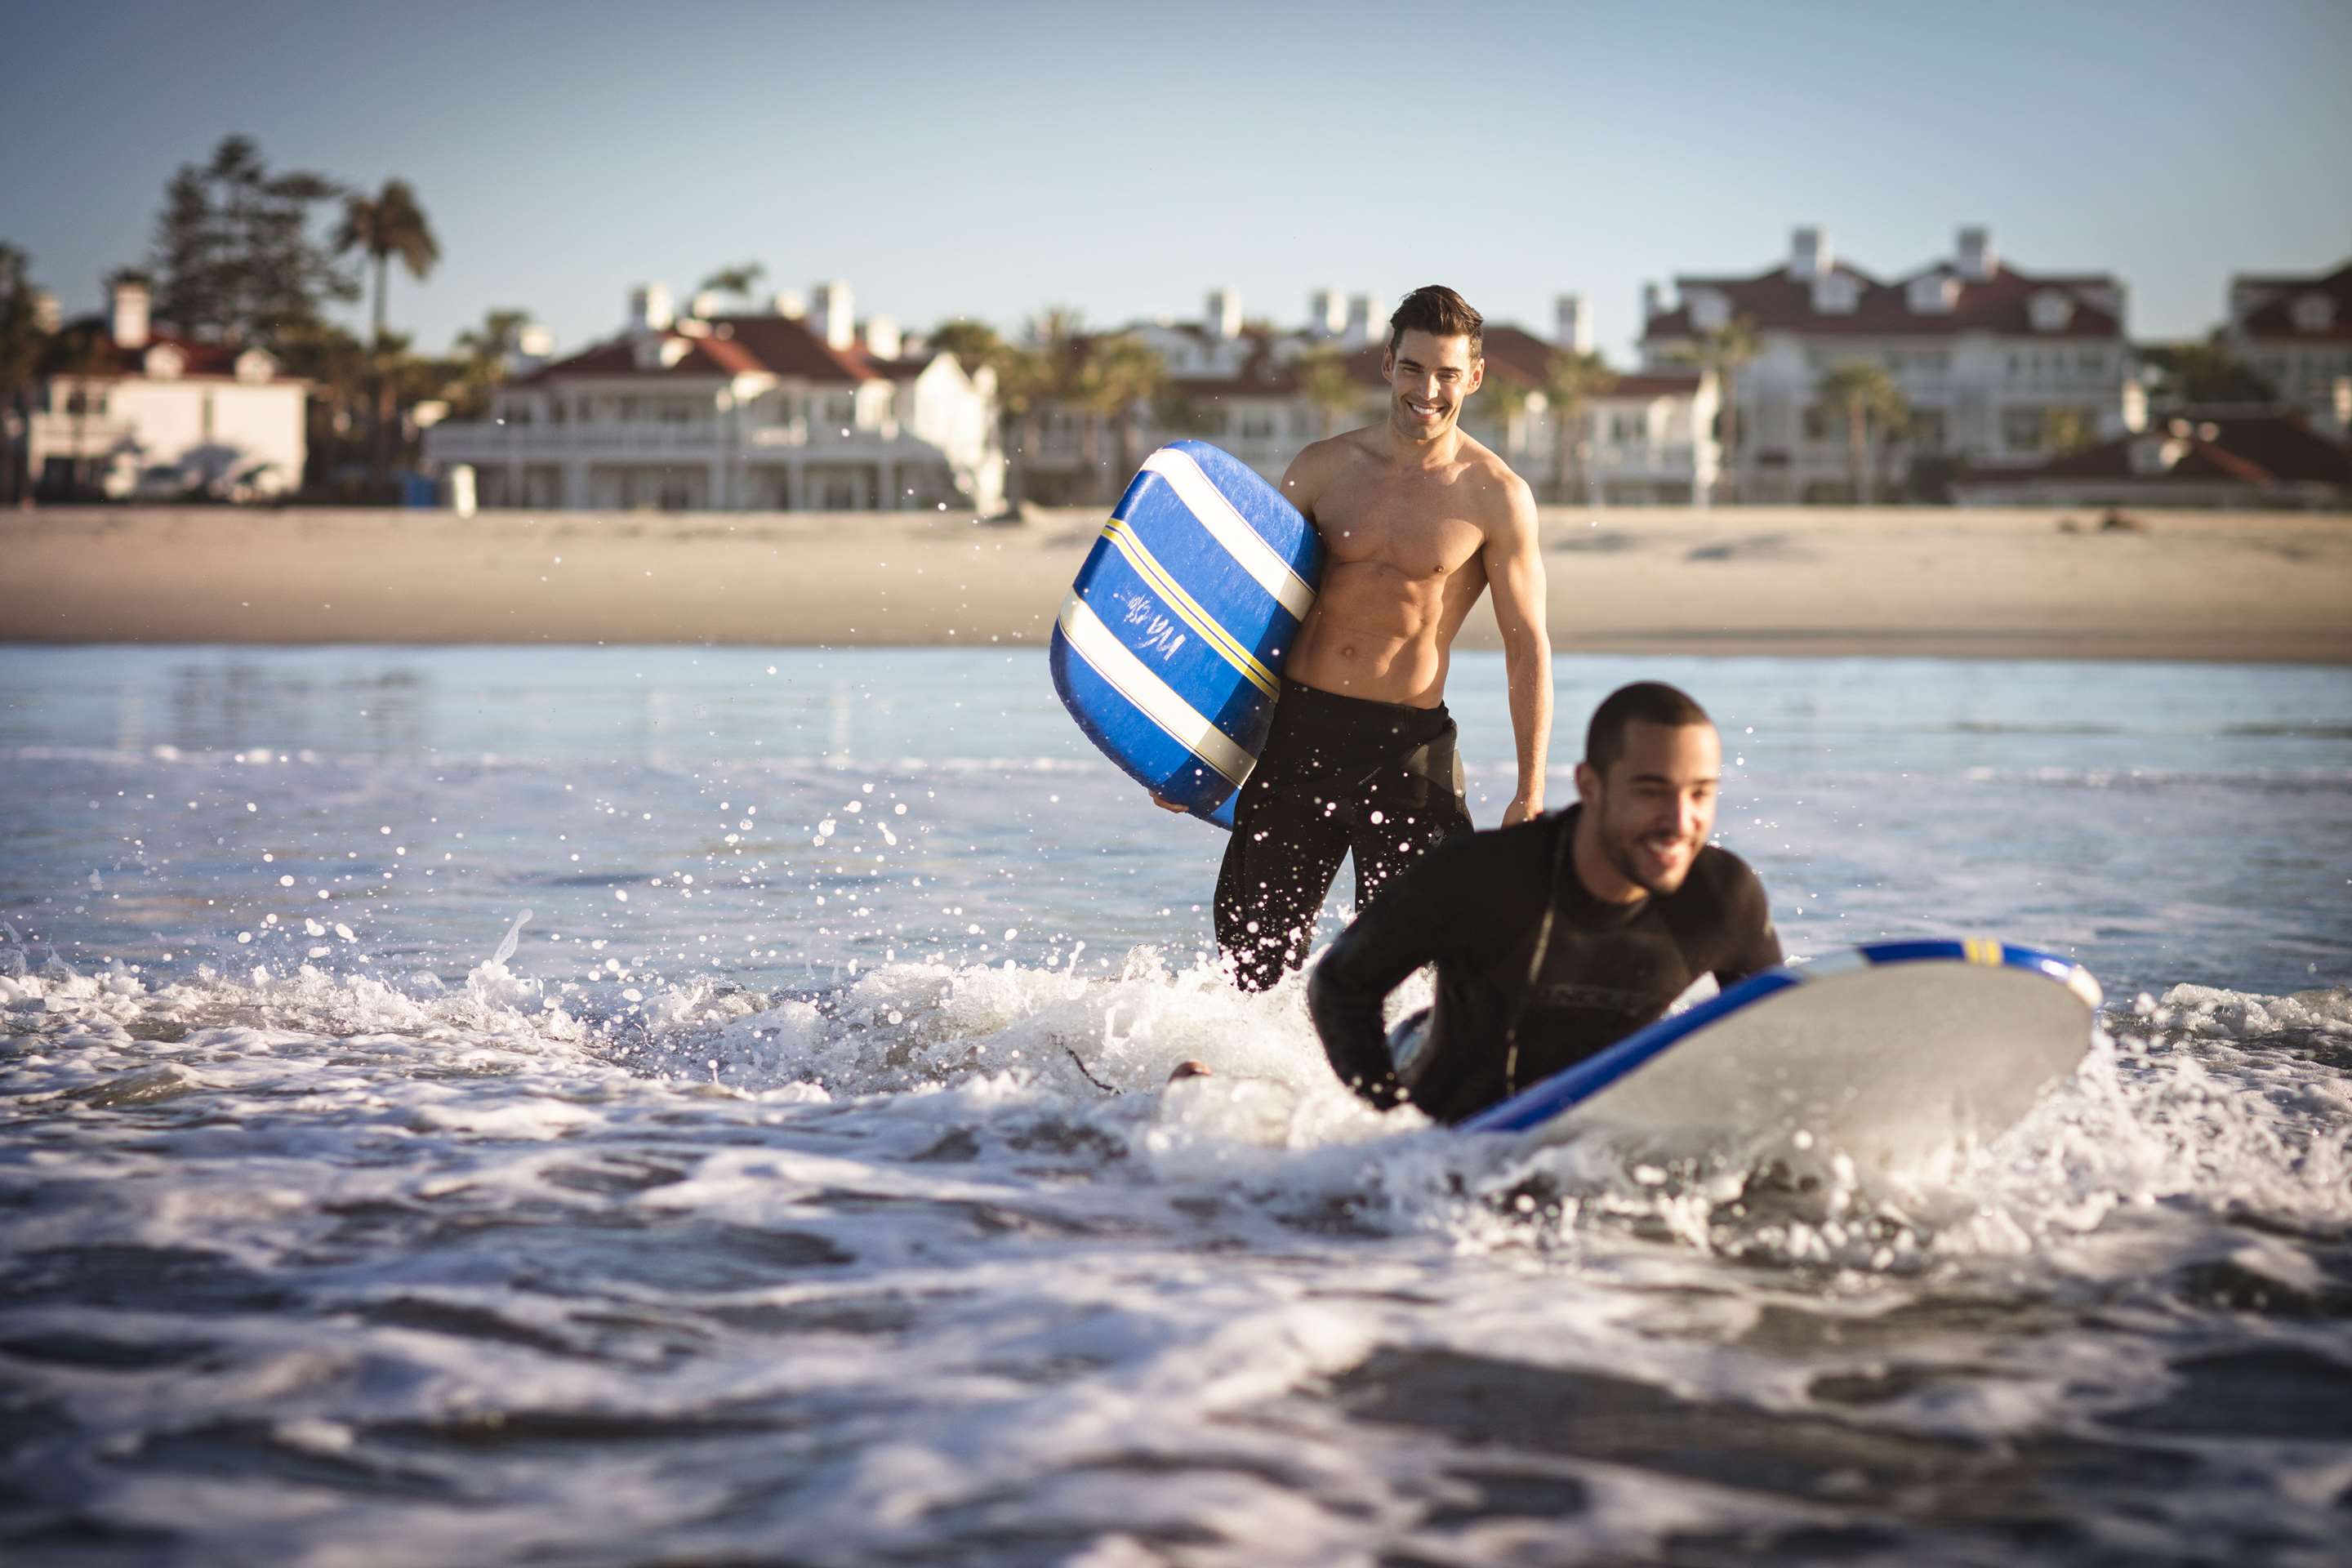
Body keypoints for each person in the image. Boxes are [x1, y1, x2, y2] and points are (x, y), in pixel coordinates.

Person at [1188, 285, 1552, 992]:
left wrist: (1529, 791)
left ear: (1473, 378)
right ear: (1388, 364)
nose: (1428, 390)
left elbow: (1527, 646)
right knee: (1249, 964)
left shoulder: (1496, 495)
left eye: (1447, 374)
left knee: (1433, 966)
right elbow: (1254, 616)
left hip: (1407, 748)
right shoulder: (1323, 468)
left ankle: (1404, 1095)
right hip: (1298, 736)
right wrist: (1192, 748)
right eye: (1414, 368)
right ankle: (1249, 1092)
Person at [1307, 682, 1782, 1124]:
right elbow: (1341, 984)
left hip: (1584, 1127)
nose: (1681, 821)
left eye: (1700, 793)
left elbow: (1779, 1038)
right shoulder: (1481, 875)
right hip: (1446, 1120)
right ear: (1590, 787)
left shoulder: (1723, 897)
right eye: (1651, 792)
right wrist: (1387, 1115)